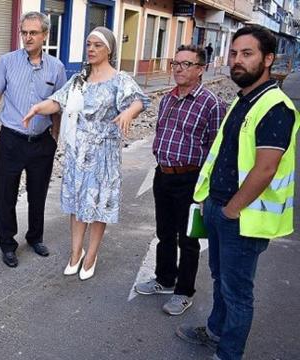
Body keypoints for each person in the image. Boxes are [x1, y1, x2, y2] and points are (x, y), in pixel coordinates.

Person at [176, 25, 299, 360]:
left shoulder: (275, 106)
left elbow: (265, 168)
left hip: (242, 217)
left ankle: (228, 353)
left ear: (268, 59)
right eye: (233, 54)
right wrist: (208, 202)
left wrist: (231, 210)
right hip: (218, 208)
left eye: (247, 54)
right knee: (220, 280)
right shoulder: (244, 99)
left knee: (238, 292)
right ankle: (215, 331)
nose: (237, 61)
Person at [22, 27, 149, 280]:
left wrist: (127, 113)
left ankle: (91, 255)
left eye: (97, 45)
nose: (91, 49)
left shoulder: (119, 79)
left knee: (98, 205)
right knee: (78, 204)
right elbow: (57, 102)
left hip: (104, 155)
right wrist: (38, 108)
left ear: (109, 49)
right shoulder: (79, 80)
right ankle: (75, 252)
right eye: (88, 44)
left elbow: (139, 100)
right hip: (77, 154)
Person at [134, 45, 226, 315]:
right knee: (164, 233)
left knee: (188, 239)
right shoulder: (168, 98)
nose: (179, 68)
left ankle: (184, 291)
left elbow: (215, 150)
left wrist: (206, 188)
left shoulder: (212, 104)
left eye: (187, 64)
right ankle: (164, 279)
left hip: (191, 179)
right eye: (176, 63)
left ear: (200, 69)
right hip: (163, 175)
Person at [0, 11, 67, 268]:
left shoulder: (56, 68)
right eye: (24, 32)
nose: (27, 37)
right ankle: (7, 244)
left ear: (45, 35)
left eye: (33, 33)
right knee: (6, 194)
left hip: (41, 142)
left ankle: (35, 237)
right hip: (11, 141)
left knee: (38, 194)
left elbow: (59, 105)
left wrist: (56, 137)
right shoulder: (7, 62)